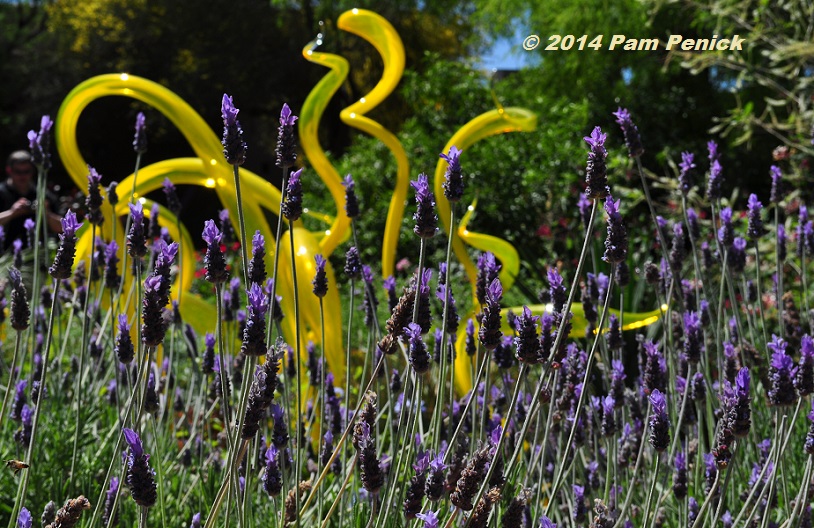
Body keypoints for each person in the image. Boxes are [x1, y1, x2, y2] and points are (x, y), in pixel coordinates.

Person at [0, 150, 63, 251]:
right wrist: (11, 213)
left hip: (36, 256)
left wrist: (47, 213)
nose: (22, 176)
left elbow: (63, 228)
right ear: (9, 170)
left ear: (32, 171)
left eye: (26, 171)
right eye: (18, 172)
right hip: (4, 258)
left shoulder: (43, 194)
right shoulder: (2, 192)